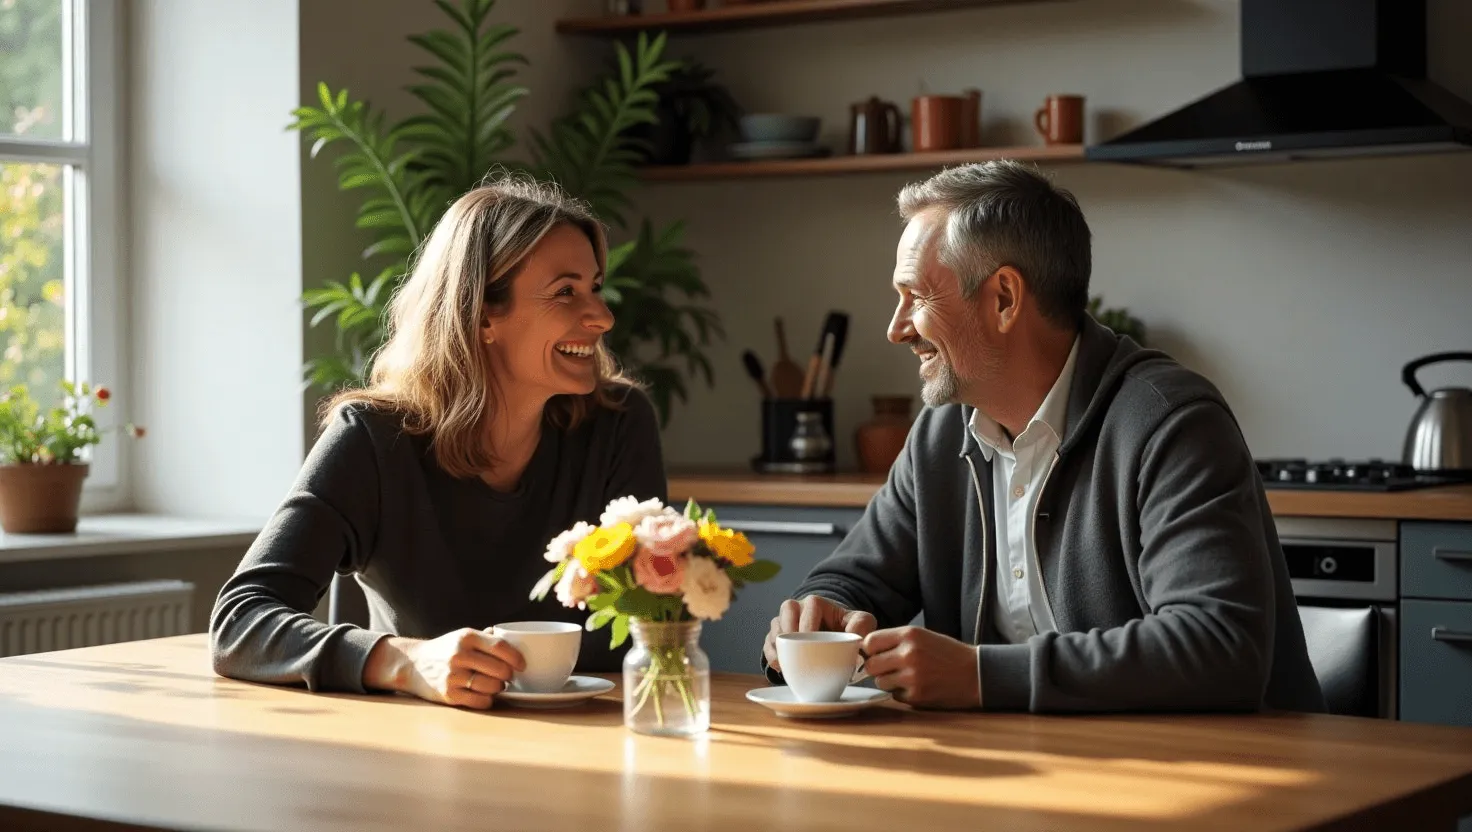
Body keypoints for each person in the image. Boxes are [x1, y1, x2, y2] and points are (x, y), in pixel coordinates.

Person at [762, 160, 1324, 714]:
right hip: (1033, 761)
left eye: (917, 296)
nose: (896, 328)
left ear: (1005, 299)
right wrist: (821, 611)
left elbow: (1220, 647)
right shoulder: (941, 436)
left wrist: (979, 675)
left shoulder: (1170, 423)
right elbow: (856, 578)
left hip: (1225, 764)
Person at [211, 177, 666, 710]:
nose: (602, 317)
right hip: (419, 747)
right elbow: (240, 622)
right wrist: (406, 661)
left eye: (595, 287)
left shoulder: (618, 425)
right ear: (481, 313)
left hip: (599, 740)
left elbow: (657, 622)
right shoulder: (372, 440)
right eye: (566, 292)